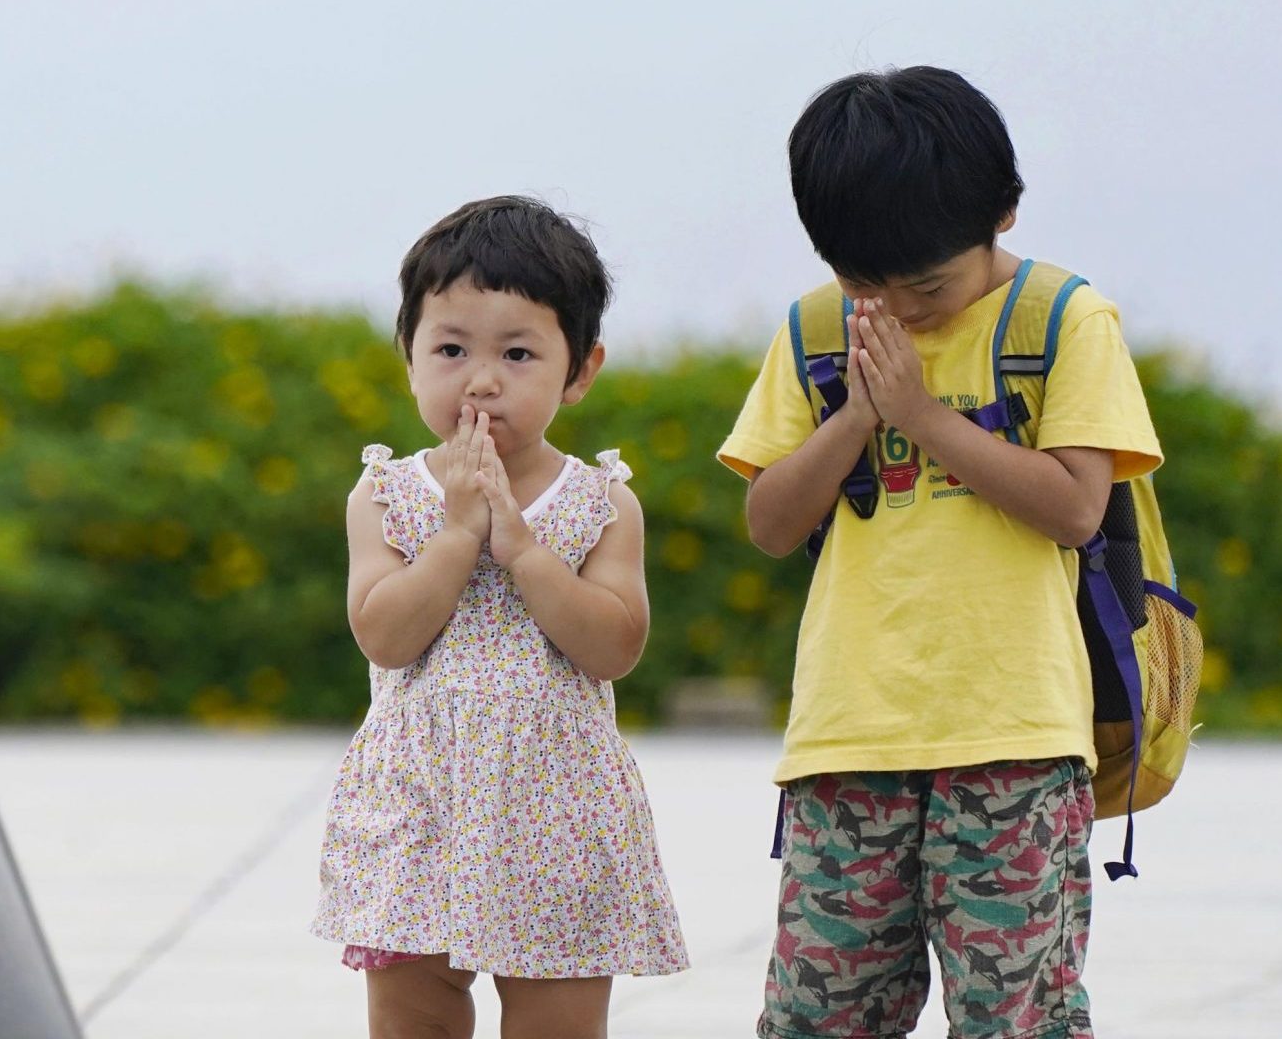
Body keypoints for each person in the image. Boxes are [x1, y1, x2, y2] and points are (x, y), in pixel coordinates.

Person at [720, 67, 1161, 1039]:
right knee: (818, 1017)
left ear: (1002, 213)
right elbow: (770, 522)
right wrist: (857, 419)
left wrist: (919, 415)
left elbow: (1076, 509)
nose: (898, 308)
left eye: (924, 284)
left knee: (1014, 1017)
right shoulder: (815, 332)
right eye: (862, 282)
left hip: (1015, 740)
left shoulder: (1060, 319)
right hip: (847, 741)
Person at [312, 195, 688, 1039]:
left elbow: (614, 645)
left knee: (557, 1019)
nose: (481, 379)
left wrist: (523, 550)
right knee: (416, 1015)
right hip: (421, 800)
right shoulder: (384, 494)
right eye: (450, 349)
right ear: (407, 357)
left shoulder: (601, 503)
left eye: (518, 353)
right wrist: (456, 537)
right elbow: (384, 633)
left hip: (557, 804)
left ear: (580, 370)